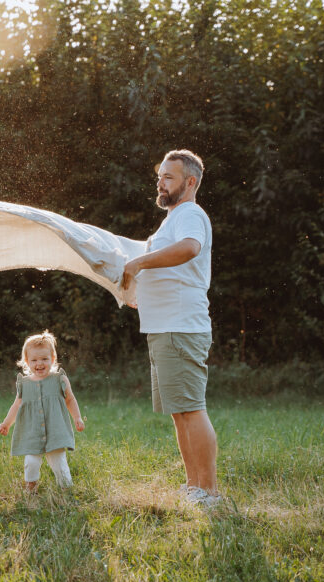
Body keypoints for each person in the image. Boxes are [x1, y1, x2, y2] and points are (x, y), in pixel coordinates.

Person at [121, 149, 220, 509]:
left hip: (181, 327)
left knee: (192, 409)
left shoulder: (191, 214)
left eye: (169, 177)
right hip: (163, 327)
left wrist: (140, 262)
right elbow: (172, 266)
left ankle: (208, 492)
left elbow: (190, 249)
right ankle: (193, 486)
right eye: (160, 176)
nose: (160, 183)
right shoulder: (173, 218)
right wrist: (140, 294)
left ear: (190, 182)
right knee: (179, 411)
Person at [0, 331, 84, 492]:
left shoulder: (60, 379)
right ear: (26, 362)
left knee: (59, 463)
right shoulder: (24, 383)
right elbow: (17, 405)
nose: (40, 363)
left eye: (44, 359)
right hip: (31, 431)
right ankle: (31, 486)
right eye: (34, 360)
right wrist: (6, 423)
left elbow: (70, 399)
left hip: (55, 431)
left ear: (53, 359)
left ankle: (66, 490)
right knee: (31, 461)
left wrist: (77, 417)